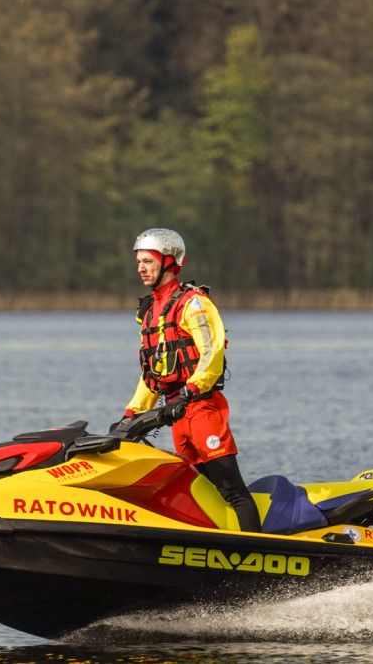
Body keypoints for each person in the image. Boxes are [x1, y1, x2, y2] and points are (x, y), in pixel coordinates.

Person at [111, 228, 261, 533]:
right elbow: (151, 374)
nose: (140, 268)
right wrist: (131, 413)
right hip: (175, 414)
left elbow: (212, 354)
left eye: (148, 261)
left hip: (202, 407)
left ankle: (258, 559)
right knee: (202, 492)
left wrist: (189, 393)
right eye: (138, 261)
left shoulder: (194, 304)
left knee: (230, 487)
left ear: (169, 262)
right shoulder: (149, 312)